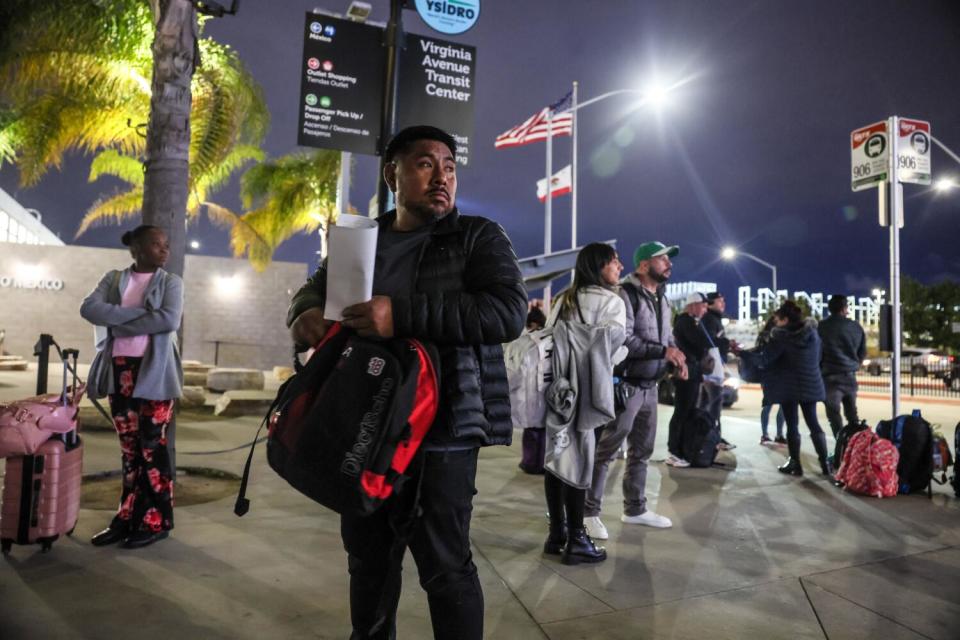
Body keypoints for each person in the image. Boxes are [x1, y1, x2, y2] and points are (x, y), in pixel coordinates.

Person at [287, 126, 526, 640]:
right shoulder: (360, 241)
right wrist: (303, 313)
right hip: (362, 424)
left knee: (445, 566)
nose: (442, 177)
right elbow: (314, 289)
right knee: (368, 559)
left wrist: (400, 315)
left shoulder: (477, 236)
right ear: (392, 173)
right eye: (425, 163)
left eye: (450, 167)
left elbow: (507, 313)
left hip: (442, 430)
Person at [79, 225, 183, 549]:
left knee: (152, 447)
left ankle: (155, 521)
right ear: (136, 248)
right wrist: (140, 316)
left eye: (166, 244)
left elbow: (167, 320)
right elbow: (89, 308)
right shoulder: (113, 279)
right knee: (129, 450)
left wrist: (117, 321)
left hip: (155, 373)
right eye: (156, 244)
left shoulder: (170, 283)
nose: (164, 250)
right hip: (120, 370)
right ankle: (126, 518)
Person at [584, 241, 685, 540]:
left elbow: (668, 337)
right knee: (608, 450)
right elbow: (624, 341)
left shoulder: (663, 298)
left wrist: (676, 356)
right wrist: (663, 352)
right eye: (662, 259)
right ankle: (589, 512)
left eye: (669, 260)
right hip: (626, 385)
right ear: (643, 265)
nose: (669, 264)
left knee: (642, 451)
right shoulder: (625, 294)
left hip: (651, 386)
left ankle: (635, 509)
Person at [543, 242, 626, 564]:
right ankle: (577, 539)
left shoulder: (564, 298)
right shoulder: (612, 302)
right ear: (598, 266)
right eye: (613, 262)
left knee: (556, 455)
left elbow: (549, 339)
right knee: (582, 458)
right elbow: (611, 349)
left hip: (558, 389)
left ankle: (557, 534)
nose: (618, 267)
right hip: (589, 390)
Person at [738, 300, 830, 476]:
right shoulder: (813, 336)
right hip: (811, 384)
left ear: (785, 320)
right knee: (814, 423)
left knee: (792, 425)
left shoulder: (781, 338)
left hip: (789, 387)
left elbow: (764, 360)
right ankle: (825, 464)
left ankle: (795, 464)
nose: (775, 323)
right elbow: (819, 358)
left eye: (777, 320)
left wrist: (742, 353)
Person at [668, 292, 714, 467]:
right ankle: (675, 452)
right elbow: (701, 342)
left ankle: (680, 450)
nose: (705, 309)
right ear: (693, 305)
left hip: (692, 372)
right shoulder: (686, 322)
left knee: (686, 411)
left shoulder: (690, 321)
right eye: (703, 305)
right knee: (682, 411)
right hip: (685, 373)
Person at [818, 294, 866, 437]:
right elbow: (862, 352)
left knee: (834, 416)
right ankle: (854, 446)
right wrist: (854, 364)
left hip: (829, 377)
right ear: (845, 308)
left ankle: (840, 447)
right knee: (852, 415)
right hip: (850, 376)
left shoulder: (822, 327)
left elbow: (816, 352)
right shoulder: (856, 327)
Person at [699, 291, 737, 450]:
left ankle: (709, 437)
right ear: (709, 303)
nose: (723, 304)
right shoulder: (709, 319)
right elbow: (709, 341)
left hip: (713, 369)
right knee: (713, 406)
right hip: (711, 371)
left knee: (708, 405)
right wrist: (728, 343)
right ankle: (713, 438)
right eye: (720, 301)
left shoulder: (714, 319)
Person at [755, 315, 786, 445]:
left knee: (772, 404)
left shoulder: (765, 336)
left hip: (771, 374)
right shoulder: (774, 336)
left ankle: (769, 434)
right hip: (776, 373)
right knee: (776, 405)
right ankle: (774, 434)